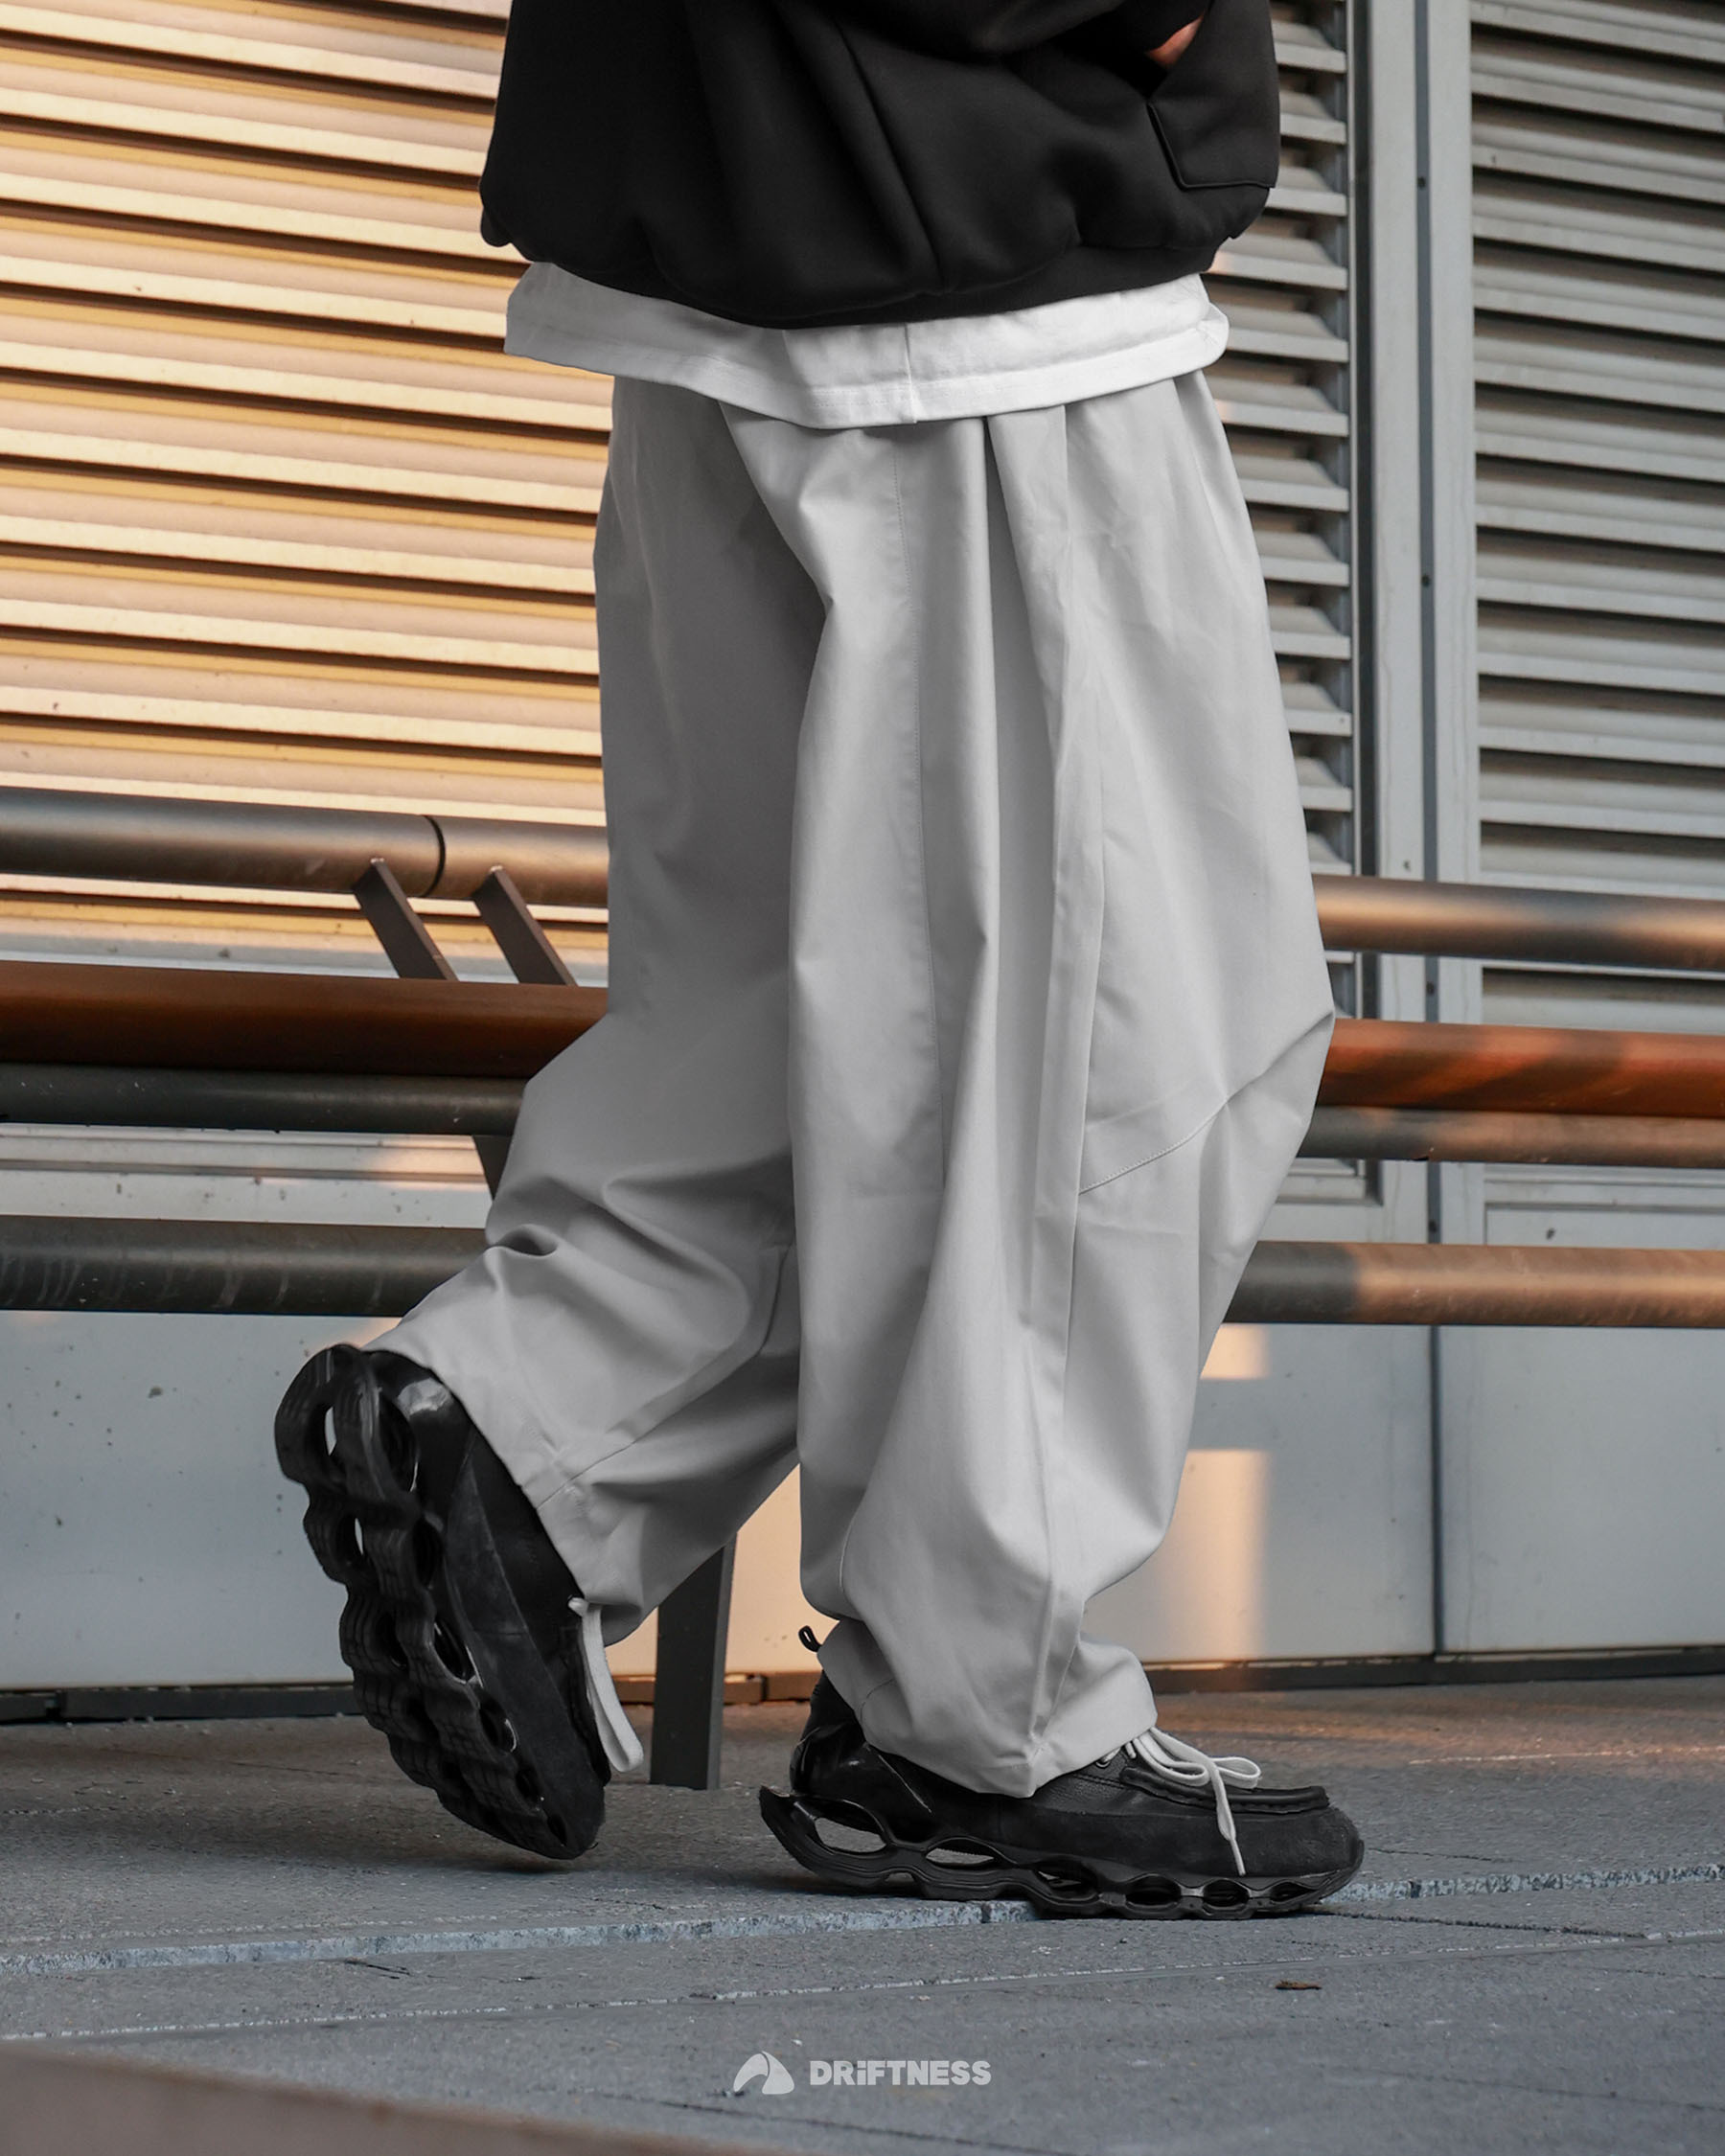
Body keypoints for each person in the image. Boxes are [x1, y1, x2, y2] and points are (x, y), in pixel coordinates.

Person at [275, 0, 1363, 1919]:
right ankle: (980, 1702)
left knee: (802, 1019)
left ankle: (524, 1448)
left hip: (740, 204)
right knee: (1127, 1022)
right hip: (965, 223)